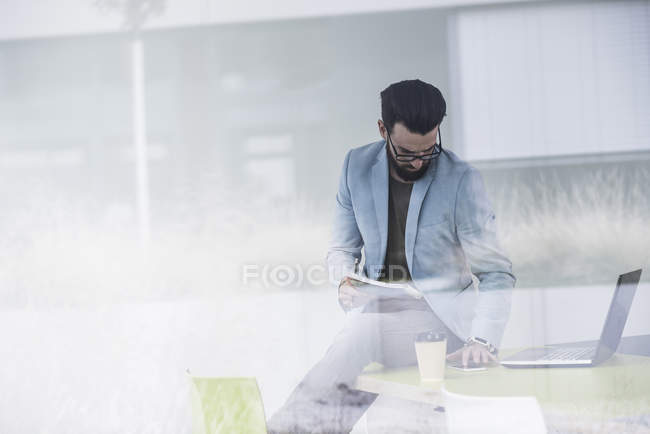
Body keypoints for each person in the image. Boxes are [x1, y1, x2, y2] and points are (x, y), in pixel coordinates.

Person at [267, 79, 515, 433]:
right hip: (377, 313)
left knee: (364, 334)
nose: (418, 162)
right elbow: (341, 249)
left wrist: (483, 340)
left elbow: (496, 272)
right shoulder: (355, 166)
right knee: (363, 335)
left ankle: (285, 430)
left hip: (440, 324)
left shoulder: (461, 180)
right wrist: (344, 281)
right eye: (407, 152)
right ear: (383, 130)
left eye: (428, 150)